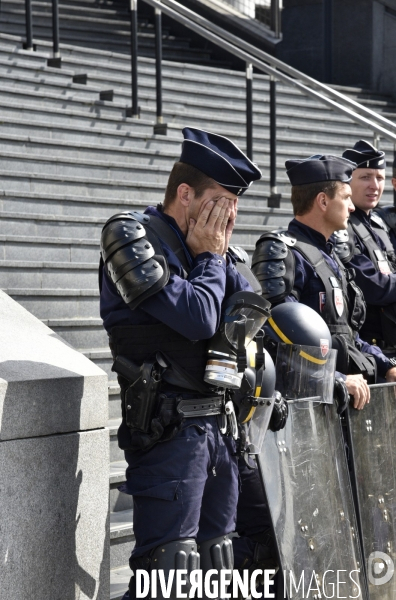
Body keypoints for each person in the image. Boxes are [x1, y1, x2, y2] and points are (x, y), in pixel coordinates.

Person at [99, 126, 273, 600]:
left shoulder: (214, 253)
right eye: (220, 202)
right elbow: (198, 319)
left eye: (234, 206)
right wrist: (211, 260)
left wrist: (212, 261)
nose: (229, 216)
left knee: (219, 568)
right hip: (168, 432)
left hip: (219, 429)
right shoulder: (131, 235)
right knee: (169, 574)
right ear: (184, 193)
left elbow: (252, 308)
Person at [252, 154, 396, 410]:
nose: (352, 207)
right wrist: (336, 379)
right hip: (308, 411)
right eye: (346, 197)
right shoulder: (282, 252)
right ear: (322, 201)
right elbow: (274, 339)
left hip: (344, 404)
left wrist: (387, 366)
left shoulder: (331, 256)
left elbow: (347, 335)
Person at [327, 140, 396, 355]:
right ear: (347, 181)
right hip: (367, 350)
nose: (374, 185)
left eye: (380, 178)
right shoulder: (342, 226)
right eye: (365, 177)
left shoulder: (378, 225)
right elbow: (370, 286)